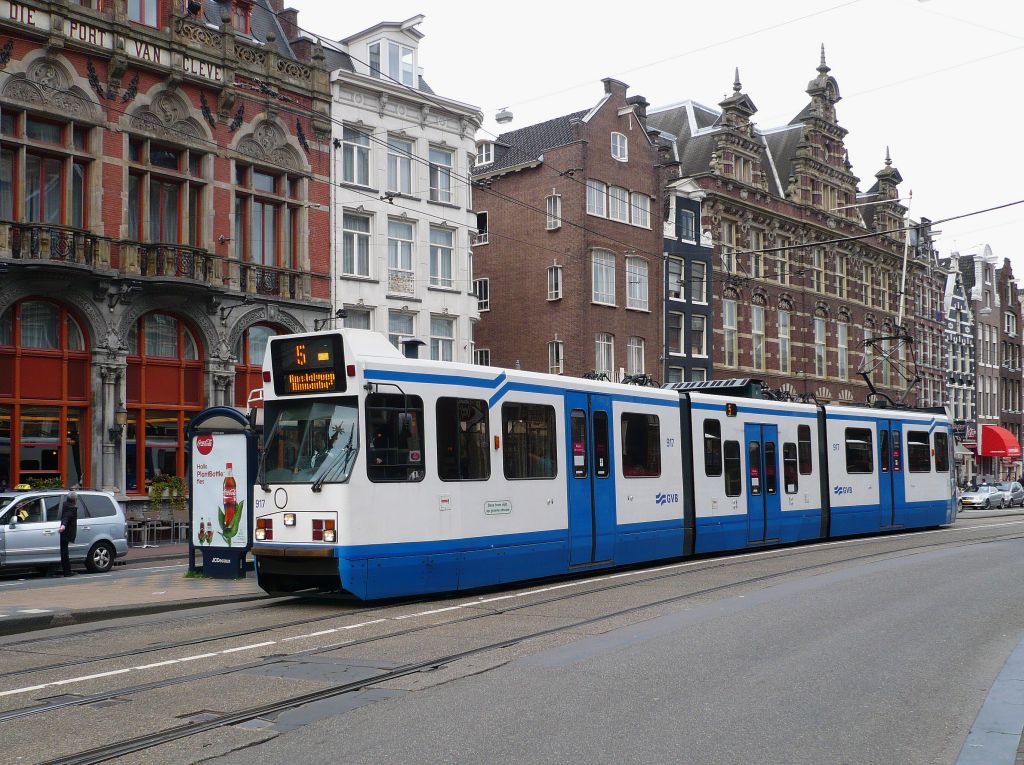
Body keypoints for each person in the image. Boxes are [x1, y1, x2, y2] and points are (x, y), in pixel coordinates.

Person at [59, 491, 79, 577]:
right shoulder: (71, 508)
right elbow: (66, 517)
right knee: (64, 553)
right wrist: (63, 526)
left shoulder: (64, 505)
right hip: (66, 533)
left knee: (64, 552)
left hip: (65, 532)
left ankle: (67, 571)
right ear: (75, 500)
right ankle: (67, 572)